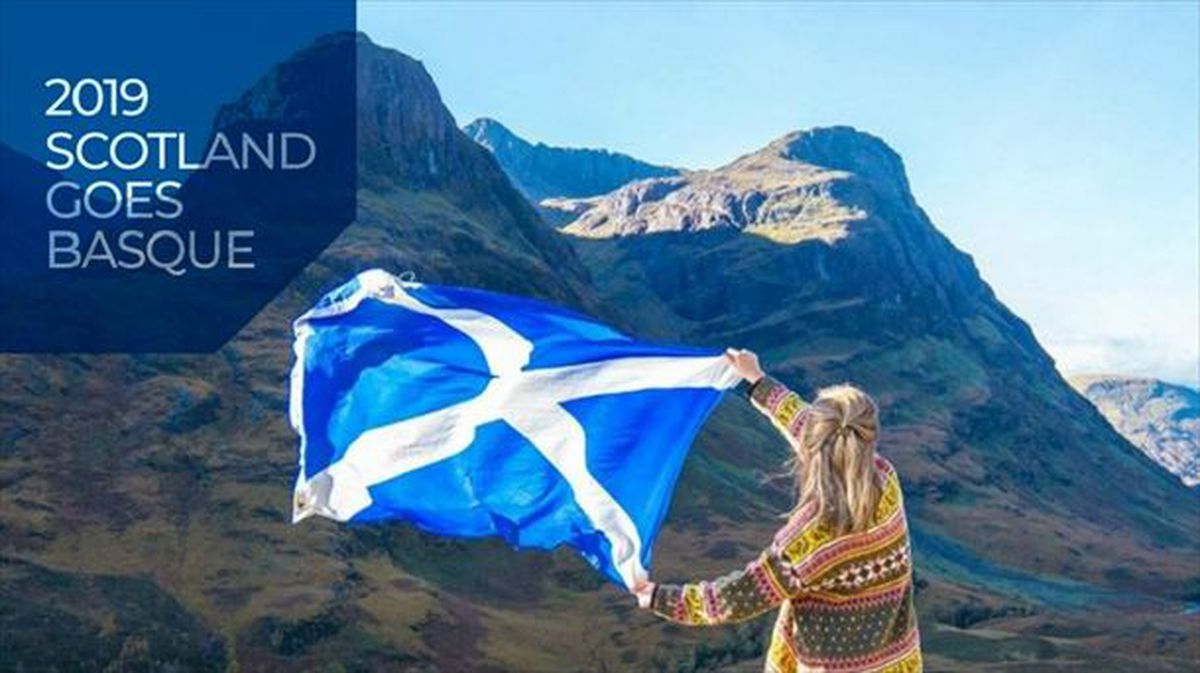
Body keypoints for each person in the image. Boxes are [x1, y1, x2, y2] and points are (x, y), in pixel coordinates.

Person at [633, 348, 922, 673]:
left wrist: (662, 598)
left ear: (815, 444)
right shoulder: (885, 478)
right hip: (898, 663)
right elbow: (814, 433)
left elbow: (736, 597)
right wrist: (758, 381)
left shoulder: (810, 540)